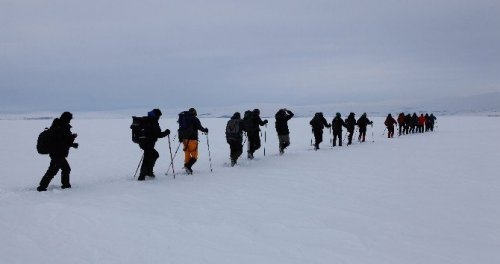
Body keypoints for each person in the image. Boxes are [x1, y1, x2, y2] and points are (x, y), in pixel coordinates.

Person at [37, 112, 78, 191]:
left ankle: (65, 185)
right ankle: (42, 187)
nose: (70, 120)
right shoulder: (62, 127)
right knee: (53, 170)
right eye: (70, 118)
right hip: (58, 153)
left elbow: (61, 141)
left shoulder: (57, 125)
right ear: (67, 118)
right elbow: (62, 142)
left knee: (65, 169)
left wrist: (72, 143)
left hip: (57, 152)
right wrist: (72, 138)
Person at [137, 109, 170, 181]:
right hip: (148, 143)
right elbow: (158, 134)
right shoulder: (153, 122)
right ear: (156, 115)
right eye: (159, 116)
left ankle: (148, 172)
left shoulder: (146, 119)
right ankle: (142, 176)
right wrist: (166, 132)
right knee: (148, 158)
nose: (159, 117)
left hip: (143, 142)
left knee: (154, 155)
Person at [180, 108, 208, 174]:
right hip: (192, 139)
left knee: (187, 154)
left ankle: (187, 167)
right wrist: (205, 130)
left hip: (184, 139)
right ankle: (188, 166)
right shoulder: (195, 119)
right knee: (195, 156)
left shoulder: (184, 119)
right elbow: (200, 127)